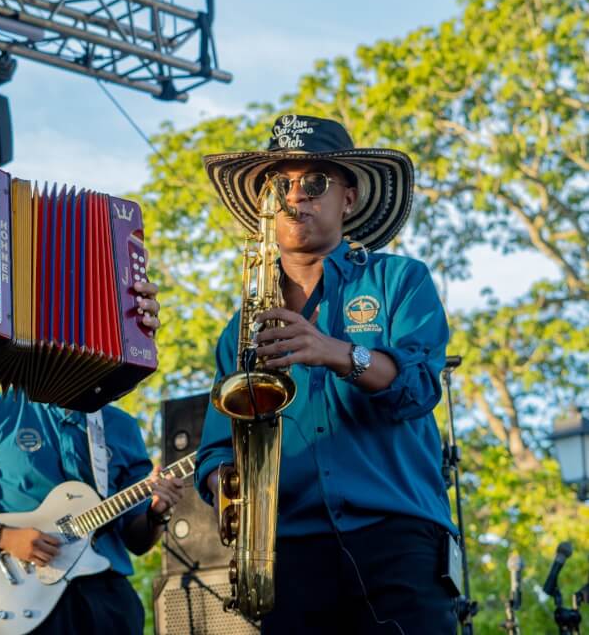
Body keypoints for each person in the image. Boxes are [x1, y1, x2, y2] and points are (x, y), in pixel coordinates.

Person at [195, 114, 458, 634]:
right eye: (281, 184)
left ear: (349, 199)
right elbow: (215, 448)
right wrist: (224, 482)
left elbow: (421, 387)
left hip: (397, 539)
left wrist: (336, 353)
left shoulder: (400, 279)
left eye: (314, 182)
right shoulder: (240, 329)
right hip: (289, 553)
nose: (296, 196)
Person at [0, 390, 183, 634]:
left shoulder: (121, 426)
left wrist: (158, 513)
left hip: (107, 595)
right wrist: (3, 538)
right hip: (24, 593)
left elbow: (138, 541)